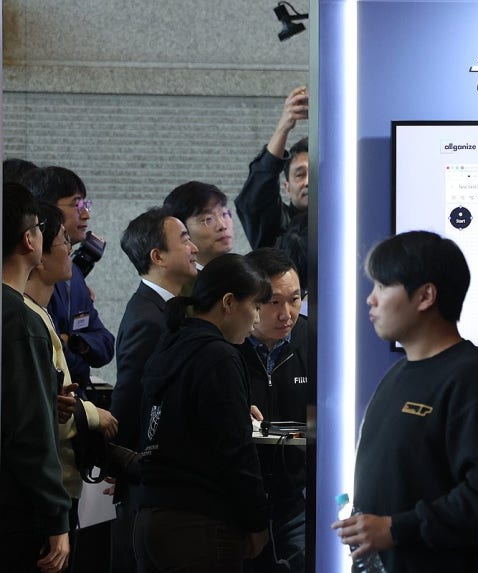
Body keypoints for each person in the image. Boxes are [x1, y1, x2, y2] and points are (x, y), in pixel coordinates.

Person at [332, 230, 478, 572]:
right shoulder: (397, 374)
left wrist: (398, 528)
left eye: (383, 286)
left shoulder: (476, 382)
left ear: (425, 296)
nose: (370, 299)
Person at [134, 253, 272, 573]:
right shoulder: (219, 355)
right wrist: (257, 521)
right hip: (200, 525)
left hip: (149, 518)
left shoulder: (171, 345)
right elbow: (236, 451)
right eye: (255, 306)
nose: (256, 319)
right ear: (228, 302)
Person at [24, 200, 119, 568]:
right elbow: (34, 418)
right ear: (36, 250)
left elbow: (103, 342)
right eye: (64, 241)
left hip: (65, 482)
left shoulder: (48, 307)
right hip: (41, 494)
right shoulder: (25, 320)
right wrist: (89, 413)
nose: (71, 249)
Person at [110, 207, 200, 573]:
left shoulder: (164, 309)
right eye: (185, 239)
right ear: (158, 257)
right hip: (148, 486)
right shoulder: (148, 319)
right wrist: (126, 465)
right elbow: (130, 400)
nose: (194, 248)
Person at [0, 182, 72, 573]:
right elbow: (28, 430)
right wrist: (56, 518)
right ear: (30, 240)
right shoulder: (19, 321)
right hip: (15, 510)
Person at [241, 248, 311, 573]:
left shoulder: (317, 340)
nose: (287, 314)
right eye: (274, 303)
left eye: (295, 300)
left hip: (298, 498)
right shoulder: (225, 345)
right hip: (238, 499)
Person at [21, 166, 116, 397]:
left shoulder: (73, 274)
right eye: (77, 204)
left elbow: (105, 343)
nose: (86, 214)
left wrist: (74, 341)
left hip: (77, 400)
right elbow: (51, 355)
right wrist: (78, 358)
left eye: (86, 204)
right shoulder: (29, 276)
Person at [235, 86, 309, 250]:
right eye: (300, 174)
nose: (308, 182)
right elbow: (257, 193)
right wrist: (284, 126)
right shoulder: (277, 228)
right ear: (287, 187)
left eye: (317, 175)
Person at [163, 181, 234, 271]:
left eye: (224, 214)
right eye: (208, 219)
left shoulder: (244, 271)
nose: (222, 226)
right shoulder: (180, 279)